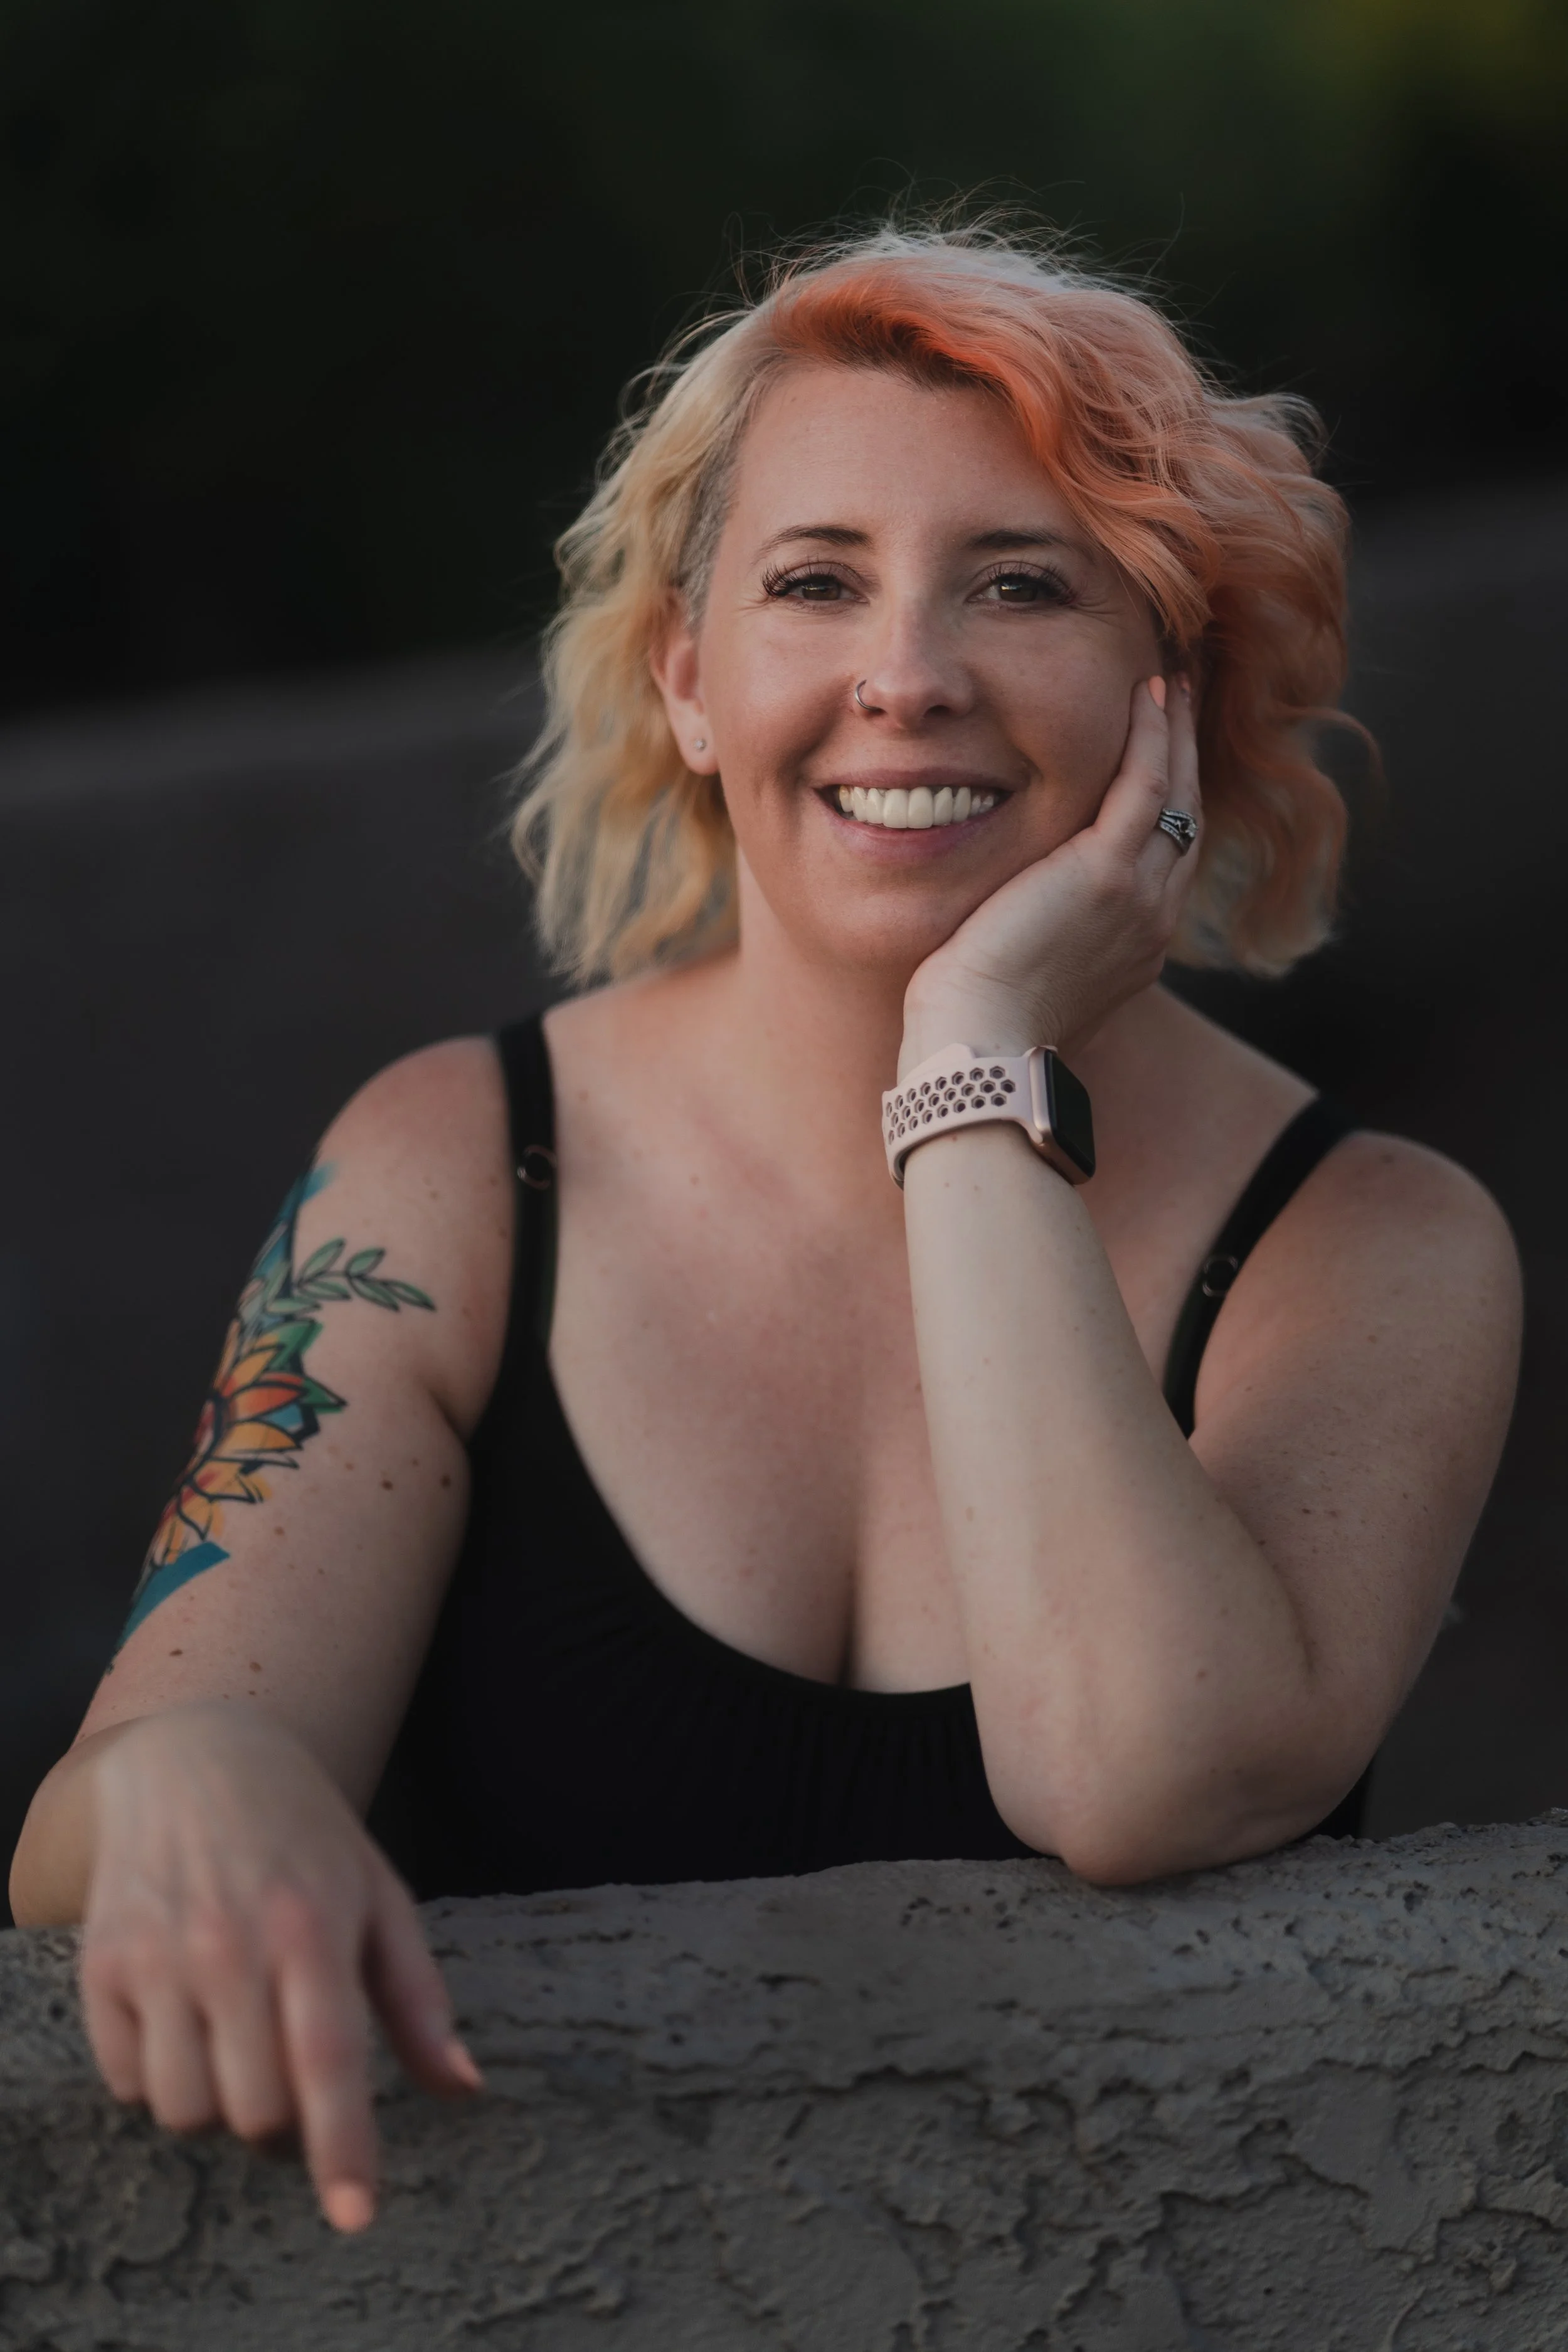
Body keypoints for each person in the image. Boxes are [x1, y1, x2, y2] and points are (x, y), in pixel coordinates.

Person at [11, 223, 1519, 2235]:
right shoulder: (450, 1170)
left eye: (1021, 584)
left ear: (1170, 690)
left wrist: (970, 1053)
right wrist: (192, 1777)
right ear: (690, 680)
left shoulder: (1375, 1245)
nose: (907, 675)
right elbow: (89, 1825)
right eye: (815, 581)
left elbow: (1139, 1769)